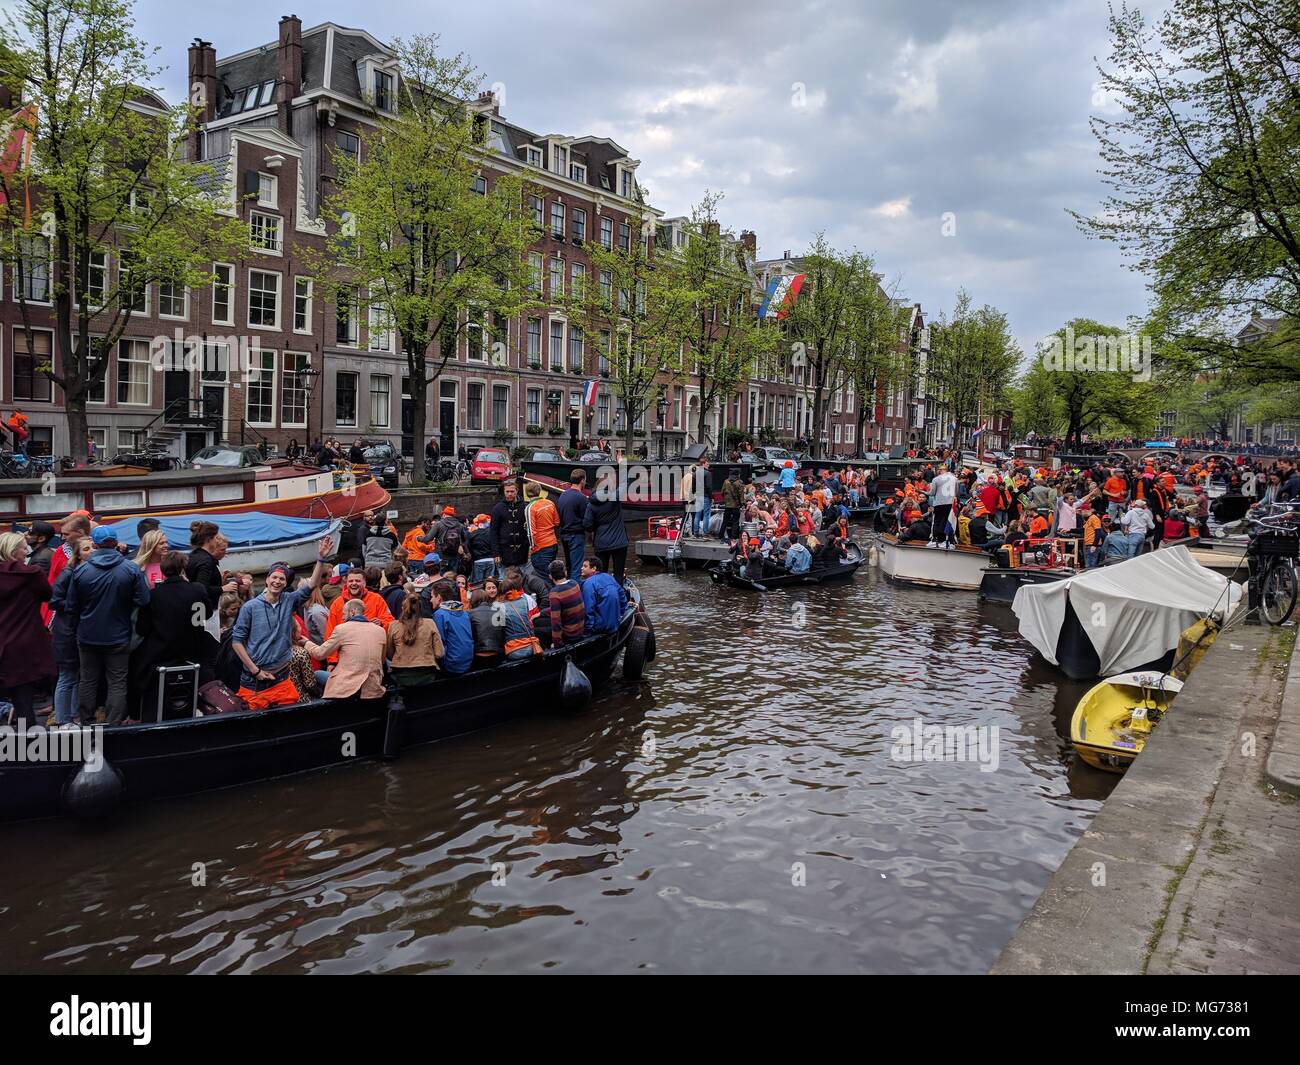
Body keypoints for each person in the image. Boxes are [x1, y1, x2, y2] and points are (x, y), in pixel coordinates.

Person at [64, 526, 152, 725]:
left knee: (87, 680)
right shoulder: (130, 569)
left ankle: (86, 721)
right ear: (115, 542)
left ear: (94, 544)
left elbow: (71, 606)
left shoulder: (81, 571)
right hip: (119, 635)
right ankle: (114, 726)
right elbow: (144, 600)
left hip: (87, 635)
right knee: (117, 682)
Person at [229, 544, 332, 709]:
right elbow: (237, 642)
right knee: (254, 725)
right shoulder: (250, 607)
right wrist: (255, 670)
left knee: (286, 721)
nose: (277, 581)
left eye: (281, 579)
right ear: (267, 579)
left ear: (285, 584)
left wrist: (320, 559)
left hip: (282, 677)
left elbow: (312, 584)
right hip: (254, 680)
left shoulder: (289, 601)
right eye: (274, 577)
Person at [131, 550, 214, 717]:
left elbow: (142, 628)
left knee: (135, 666)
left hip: (162, 652)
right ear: (183, 568)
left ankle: (135, 713)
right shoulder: (197, 590)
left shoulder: (154, 595)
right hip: (193, 649)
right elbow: (207, 613)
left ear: (163, 570)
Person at [0, 531, 57, 725]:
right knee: (24, 701)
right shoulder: (31, 574)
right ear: (13, 551)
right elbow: (47, 595)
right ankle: (30, 746)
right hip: (23, 642)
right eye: (24, 548)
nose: (27, 552)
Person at [301, 598, 387, 700]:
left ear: (352, 612)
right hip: (373, 686)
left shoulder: (342, 629)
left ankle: (323, 703)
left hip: (348, 686)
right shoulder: (380, 630)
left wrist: (306, 642)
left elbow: (319, 654)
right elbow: (381, 660)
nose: (342, 617)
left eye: (344, 613)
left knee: (317, 674)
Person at [384, 591, 445, 687]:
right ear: (420, 608)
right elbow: (439, 653)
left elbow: (389, 655)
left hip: (401, 675)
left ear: (402, 608)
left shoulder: (393, 625)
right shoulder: (430, 623)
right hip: (426, 674)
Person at [584, 470, 629, 584]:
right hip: (619, 542)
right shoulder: (614, 497)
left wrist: (596, 528)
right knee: (618, 573)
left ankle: (602, 595)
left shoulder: (591, 504)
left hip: (601, 543)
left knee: (601, 573)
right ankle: (618, 595)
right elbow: (625, 484)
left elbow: (587, 525)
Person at [427, 578, 475, 673]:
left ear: (439, 597)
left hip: (452, 664)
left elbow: (439, 643)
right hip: (468, 660)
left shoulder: (439, 615)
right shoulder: (464, 613)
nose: (430, 600)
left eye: (432, 596)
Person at [187, 520, 237, 607]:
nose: (217, 541)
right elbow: (201, 588)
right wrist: (222, 589)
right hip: (206, 610)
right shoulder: (206, 560)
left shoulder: (193, 555)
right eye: (216, 538)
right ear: (209, 540)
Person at [496, 571, 542, 660]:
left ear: (501, 592)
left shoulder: (498, 606)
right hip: (532, 647)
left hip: (514, 650)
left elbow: (498, 632)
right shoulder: (524, 599)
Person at [579, 557, 628, 635]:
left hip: (599, 627)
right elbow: (622, 598)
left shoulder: (588, 584)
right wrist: (621, 615)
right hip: (615, 623)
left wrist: (587, 630)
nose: (581, 568)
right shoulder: (609, 577)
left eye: (585, 566)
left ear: (593, 568)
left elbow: (588, 609)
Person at [557, 469, 589, 580]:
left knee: (569, 566)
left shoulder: (563, 495)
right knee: (577, 568)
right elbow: (586, 520)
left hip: (564, 535)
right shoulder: (581, 498)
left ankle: (568, 590)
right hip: (576, 535)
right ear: (582, 480)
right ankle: (575, 593)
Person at [524, 481, 560, 579]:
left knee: (544, 576)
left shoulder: (530, 508)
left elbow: (531, 532)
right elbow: (556, 522)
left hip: (541, 547)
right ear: (539, 491)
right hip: (553, 543)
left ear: (526, 492)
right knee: (553, 574)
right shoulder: (550, 503)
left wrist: (532, 548)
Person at [547, 559, 586, 647]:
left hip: (570, 636)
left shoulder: (555, 593)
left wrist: (557, 644)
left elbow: (556, 622)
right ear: (565, 573)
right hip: (580, 630)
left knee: (539, 629)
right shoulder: (574, 583)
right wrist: (541, 613)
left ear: (550, 576)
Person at [467, 587, 505, 669]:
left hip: (479, 657)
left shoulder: (469, 614)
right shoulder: (498, 612)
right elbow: (503, 633)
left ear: (473, 600)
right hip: (497, 656)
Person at [466, 513, 496, 583]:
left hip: (478, 560)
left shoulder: (473, 534)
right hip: (491, 559)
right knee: (489, 582)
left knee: (478, 584)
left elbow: (468, 546)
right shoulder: (491, 533)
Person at [720, 467, 744, 541]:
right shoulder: (739, 482)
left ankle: (720, 535)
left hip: (727, 505)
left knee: (725, 520)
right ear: (738, 475)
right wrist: (742, 503)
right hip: (736, 505)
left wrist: (726, 500)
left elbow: (722, 492)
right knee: (735, 521)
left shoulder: (726, 481)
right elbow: (741, 495)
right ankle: (733, 536)